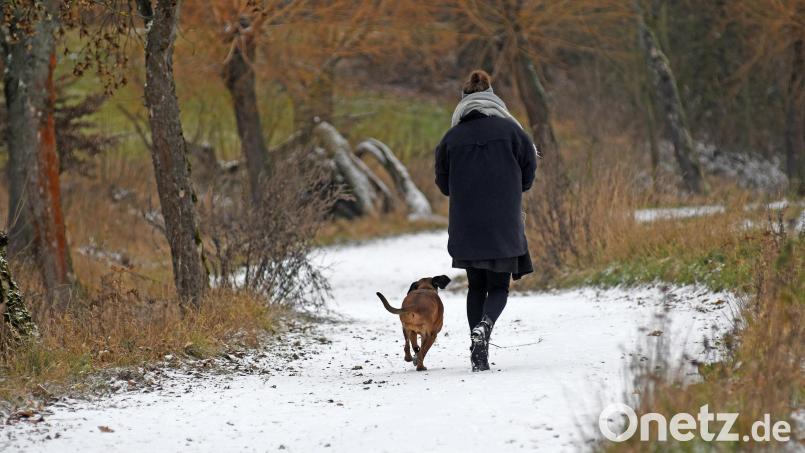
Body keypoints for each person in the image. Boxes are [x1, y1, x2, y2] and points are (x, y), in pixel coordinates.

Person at [434, 69, 538, 372]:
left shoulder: (451, 138)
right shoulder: (513, 132)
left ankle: (476, 344)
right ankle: (485, 328)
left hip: (466, 223)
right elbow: (529, 174)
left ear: (463, 102)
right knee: (499, 288)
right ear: (493, 98)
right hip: (503, 221)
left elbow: (443, 184)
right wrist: (510, 187)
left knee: (476, 287)